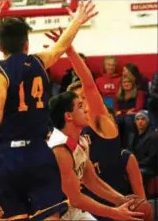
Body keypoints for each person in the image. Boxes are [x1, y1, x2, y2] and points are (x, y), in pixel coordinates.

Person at [0, 1, 97, 220]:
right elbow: (60, 46)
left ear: (0, 48)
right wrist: (77, 20)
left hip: (10, 156)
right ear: (27, 45)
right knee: (50, 216)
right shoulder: (40, 62)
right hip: (39, 153)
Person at [48, 91, 144, 220]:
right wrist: (116, 213)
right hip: (47, 211)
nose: (86, 110)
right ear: (69, 116)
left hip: (70, 208)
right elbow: (75, 198)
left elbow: (91, 180)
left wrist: (121, 200)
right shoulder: (59, 149)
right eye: (81, 106)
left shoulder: (81, 142)